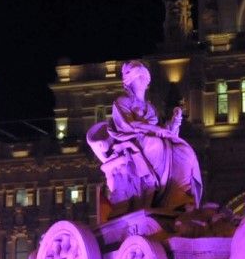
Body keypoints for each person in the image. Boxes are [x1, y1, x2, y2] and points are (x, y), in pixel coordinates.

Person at [87, 60, 203, 213]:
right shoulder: (121, 102)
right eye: (139, 77)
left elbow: (163, 129)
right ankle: (155, 188)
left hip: (155, 139)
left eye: (144, 78)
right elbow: (127, 125)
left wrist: (174, 124)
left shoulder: (151, 107)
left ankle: (178, 196)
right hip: (133, 140)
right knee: (153, 144)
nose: (142, 81)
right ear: (130, 81)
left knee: (184, 151)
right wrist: (154, 130)